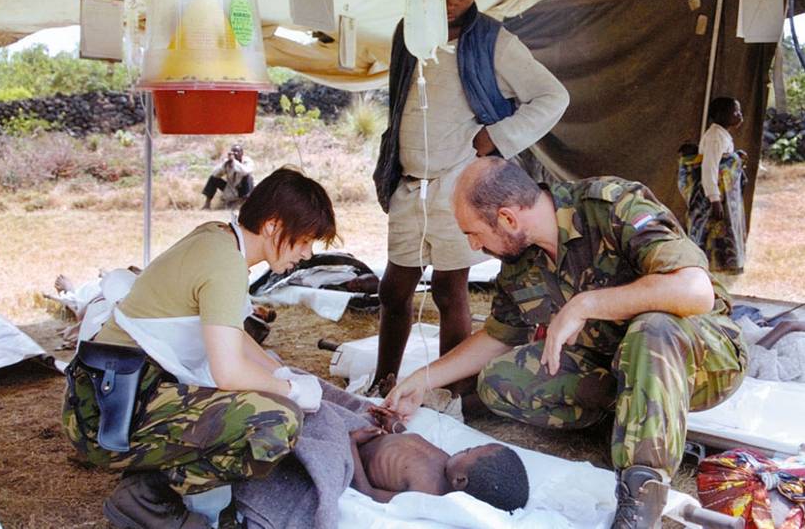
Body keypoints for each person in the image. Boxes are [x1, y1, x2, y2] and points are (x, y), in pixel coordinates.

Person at [385, 157, 747, 529]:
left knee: (652, 328)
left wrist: (586, 304)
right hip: (614, 364)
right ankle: (630, 420)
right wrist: (424, 378)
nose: (475, 246)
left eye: (473, 232)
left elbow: (695, 290)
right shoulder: (519, 259)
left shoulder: (612, 204)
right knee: (499, 380)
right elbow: (498, 336)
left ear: (508, 218)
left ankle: (641, 501)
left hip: (700, 358)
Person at [62, 167, 337, 529]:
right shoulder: (224, 262)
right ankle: (151, 496)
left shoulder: (220, 240)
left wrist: (280, 374)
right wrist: (290, 390)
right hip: (109, 412)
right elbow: (229, 371)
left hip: (115, 395)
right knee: (277, 420)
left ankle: (173, 492)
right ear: (273, 225)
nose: (306, 253)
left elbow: (235, 336)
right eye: (304, 240)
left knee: (270, 397)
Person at [371, 0, 569, 396]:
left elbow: (553, 96)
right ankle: (383, 382)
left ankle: (452, 392)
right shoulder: (408, 31)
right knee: (394, 288)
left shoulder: (495, 42)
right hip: (410, 182)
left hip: (457, 184)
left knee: (448, 288)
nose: (450, 3)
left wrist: (499, 136)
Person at [349, 412, 529, 512]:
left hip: (352, 453)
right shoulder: (449, 463)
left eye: (469, 451)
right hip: (373, 432)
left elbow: (367, 492)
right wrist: (396, 426)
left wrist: (351, 443)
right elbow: (414, 446)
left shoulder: (423, 493)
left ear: (459, 481)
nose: (465, 448)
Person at [678, 97, 747, 278]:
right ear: (720, 115)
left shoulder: (721, 135)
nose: (740, 115)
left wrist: (735, 157)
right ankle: (709, 277)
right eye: (735, 112)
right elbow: (710, 168)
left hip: (716, 196)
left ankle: (714, 276)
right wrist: (714, 199)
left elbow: (723, 161)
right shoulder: (716, 137)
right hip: (712, 198)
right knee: (710, 237)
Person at [201, 143, 254, 210]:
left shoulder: (247, 161)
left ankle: (246, 204)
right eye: (233, 152)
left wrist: (235, 162)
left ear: (242, 153)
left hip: (243, 189)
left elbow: (245, 171)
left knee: (248, 177)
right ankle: (207, 204)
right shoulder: (227, 162)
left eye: (237, 151)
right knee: (213, 178)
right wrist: (224, 165)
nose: (235, 153)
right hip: (230, 188)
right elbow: (215, 174)